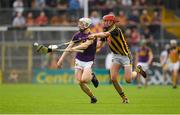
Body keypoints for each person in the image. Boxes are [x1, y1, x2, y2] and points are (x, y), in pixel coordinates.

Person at [88, 14, 147, 103]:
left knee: (128, 80)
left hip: (125, 56)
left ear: (111, 22)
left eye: (105, 21)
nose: (104, 22)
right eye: (104, 21)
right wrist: (89, 48)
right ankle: (124, 98)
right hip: (115, 56)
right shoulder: (105, 30)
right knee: (113, 78)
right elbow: (100, 45)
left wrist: (94, 35)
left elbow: (105, 34)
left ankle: (137, 70)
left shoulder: (116, 30)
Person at [57, 17, 99, 103]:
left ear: (87, 25)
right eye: (79, 23)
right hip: (79, 60)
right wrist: (61, 59)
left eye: (82, 24)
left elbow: (85, 45)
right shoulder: (77, 35)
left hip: (88, 61)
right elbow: (69, 46)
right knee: (80, 82)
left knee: (84, 80)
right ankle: (92, 97)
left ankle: (92, 76)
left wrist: (74, 48)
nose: (80, 25)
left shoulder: (92, 36)